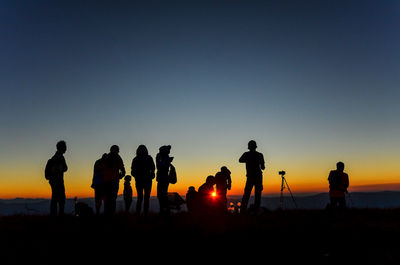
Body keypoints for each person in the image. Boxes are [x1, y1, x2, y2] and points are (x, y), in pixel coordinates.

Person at [239, 140, 265, 213]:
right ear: (255, 147)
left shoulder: (246, 154)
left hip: (250, 177)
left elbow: (240, 160)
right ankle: (256, 211)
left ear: (249, 147)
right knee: (258, 195)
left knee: (246, 194)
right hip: (258, 177)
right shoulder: (260, 155)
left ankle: (242, 211)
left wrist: (248, 160)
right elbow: (263, 167)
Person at [45, 140, 68, 217]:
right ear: (62, 148)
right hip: (58, 181)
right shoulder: (60, 157)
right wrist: (60, 169)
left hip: (53, 181)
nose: (66, 149)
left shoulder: (54, 158)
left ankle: (54, 215)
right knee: (61, 199)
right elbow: (65, 168)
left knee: (55, 198)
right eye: (65, 147)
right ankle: (60, 216)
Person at [131, 145, 155, 215]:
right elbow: (153, 168)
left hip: (139, 181)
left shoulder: (135, 159)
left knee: (140, 197)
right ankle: (145, 214)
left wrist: (136, 176)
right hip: (147, 181)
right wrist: (151, 175)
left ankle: (138, 214)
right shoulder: (149, 158)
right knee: (146, 198)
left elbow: (132, 171)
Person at [103, 145, 125, 216]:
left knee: (107, 198)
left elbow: (102, 169)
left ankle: (107, 214)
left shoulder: (106, 157)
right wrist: (120, 176)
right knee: (113, 198)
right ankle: (112, 214)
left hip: (106, 181)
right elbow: (122, 169)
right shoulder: (118, 157)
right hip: (114, 181)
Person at [156, 145, 173, 216]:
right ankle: (165, 211)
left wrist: (168, 161)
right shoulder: (161, 156)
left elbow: (160, 166)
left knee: (161, 195)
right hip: (163, 178)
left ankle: (163, 211)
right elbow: (160, 165)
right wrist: (168, 161)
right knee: (162, 195)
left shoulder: (161, 156)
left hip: (163, 178)